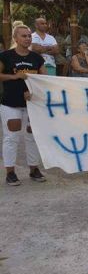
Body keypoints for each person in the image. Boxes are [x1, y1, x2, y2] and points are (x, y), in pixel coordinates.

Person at [0, 25, 47, 186]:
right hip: (10, 103)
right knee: (11, 137)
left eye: (29, 36)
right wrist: (14, 77)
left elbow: (45, 80)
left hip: (32, 104)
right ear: (15, 38)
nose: (27, 38)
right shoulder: (5, 56)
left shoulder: (37, 58)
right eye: (23, 36)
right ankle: (10, 172)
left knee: (32, 136)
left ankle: (34, 169)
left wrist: (34, 92)